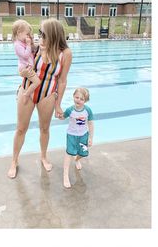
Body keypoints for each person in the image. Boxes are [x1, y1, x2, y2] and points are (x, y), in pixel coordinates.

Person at [7, 18, 72, 179]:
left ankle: (43, 157)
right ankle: (14, 161)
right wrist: (21, 74)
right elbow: (21, 63)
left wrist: (58, 105)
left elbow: (62, 81)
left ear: (53, 35)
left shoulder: (65, 54)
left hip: (47, 95)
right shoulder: (34, 48)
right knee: (21, 129)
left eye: (43, 34)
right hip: (27, 91)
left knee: (44, 129)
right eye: (39, 33)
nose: (39, 36)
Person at [61, 88, 94, 188]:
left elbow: (91, 124)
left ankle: (77, 159)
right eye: (77, 97)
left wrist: (90, 138)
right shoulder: (70, 110)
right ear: (73, 97)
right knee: (69, 153)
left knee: (83, 154)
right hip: (71, 135)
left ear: (85, 101)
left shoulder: (87, 110)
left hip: (83, 135)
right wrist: (58, 114)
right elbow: (62, 117)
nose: (78, 100)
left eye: (82, 99)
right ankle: (65, 175)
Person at [12, 20, 41, 104]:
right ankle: (26, 94)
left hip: (27, 67)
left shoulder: (22, 43)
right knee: (37, 82)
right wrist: (28, 44)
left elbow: (32, 51)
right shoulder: (17, 45)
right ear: (19, 33)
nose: (29, 36)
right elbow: (25, 55)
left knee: (31, 81)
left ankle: (23, 91)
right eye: (27, 34)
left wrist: (30, 43)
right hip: (25, 68)